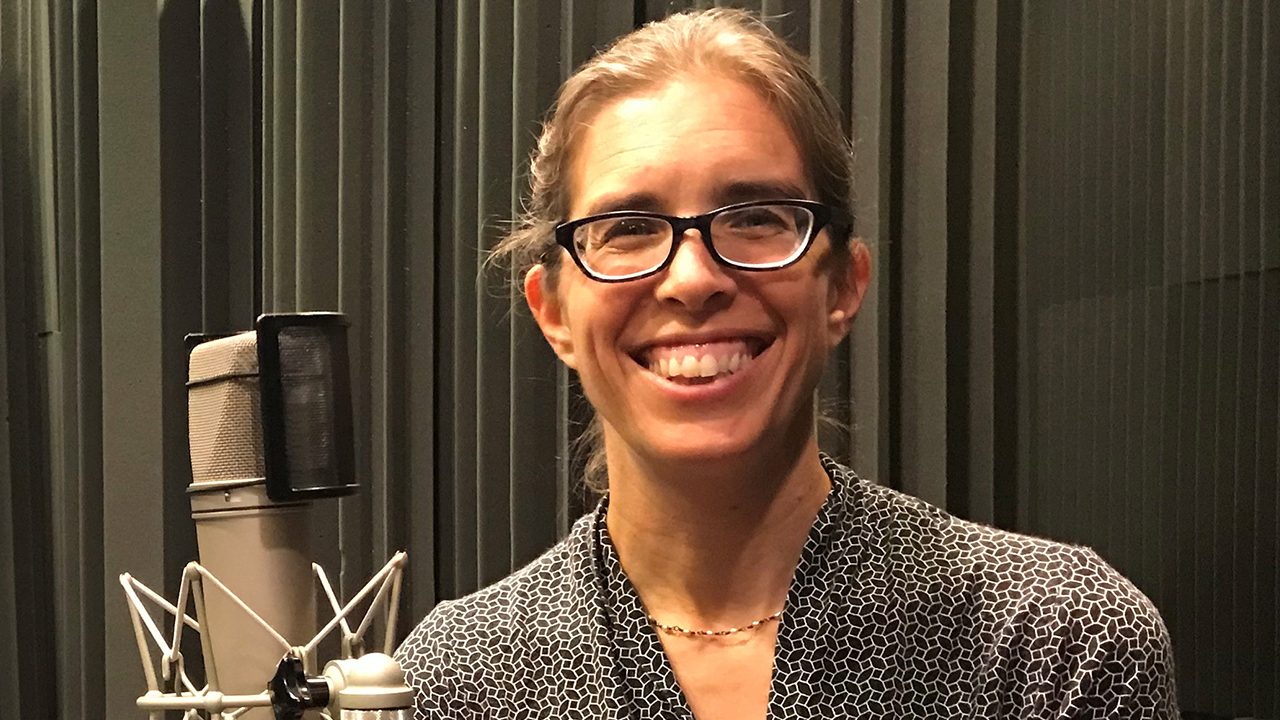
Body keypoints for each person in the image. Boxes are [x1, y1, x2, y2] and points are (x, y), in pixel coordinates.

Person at [396, 9, 1179, 719]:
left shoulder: (1053, 645)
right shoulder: (450, 681)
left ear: (842, 284)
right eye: (628, 227)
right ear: (554, 311)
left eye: (757, 217)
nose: (693, 279)